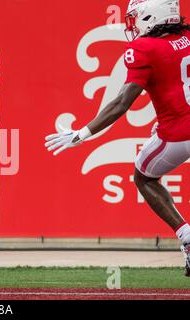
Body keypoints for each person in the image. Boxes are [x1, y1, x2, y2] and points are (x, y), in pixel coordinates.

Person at [45, 0, 190, 276]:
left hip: (177, 134)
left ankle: (186, 236)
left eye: (136, 18)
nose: (133, 25)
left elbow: (122, 103)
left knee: (144, 177)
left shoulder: (145, 48)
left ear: (152, 14)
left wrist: (81, 134)